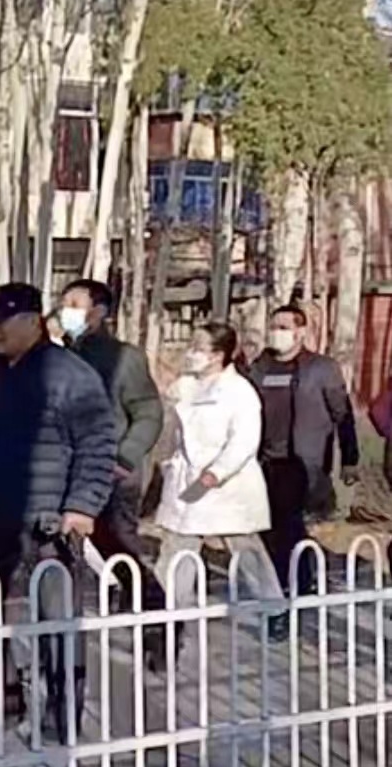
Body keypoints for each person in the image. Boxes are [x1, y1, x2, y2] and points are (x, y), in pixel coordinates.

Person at [0, 283, 119, 742]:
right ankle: (2, 701)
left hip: (50, 520)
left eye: (1, 322)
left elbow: (97, 445)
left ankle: (63, 712)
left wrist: (81, 506)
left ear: (31, 321)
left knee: (57, 620)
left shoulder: (70, 374)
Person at [57, 280, 172, 665]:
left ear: (101, 311)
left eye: (75, 303)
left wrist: (125, 457)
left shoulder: (123, 358)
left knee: (120, 549)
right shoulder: (59, 356)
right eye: (63, 303)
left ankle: (158, 625)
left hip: (112, 473)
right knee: (65, 555)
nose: (65, 311)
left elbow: (148, 412)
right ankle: (63, 643)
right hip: (67, 473)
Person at [156, 322, 278, 619]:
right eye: (191, 346)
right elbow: (173, 434)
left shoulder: (239, 391)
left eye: (198, 348)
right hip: (188, 478)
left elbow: (244, 440)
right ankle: (167, 612)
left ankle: (274, 607)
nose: (191, 353)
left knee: (243, 545)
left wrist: (217, 472)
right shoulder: (184, 387)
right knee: (179, 540)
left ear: (217, 355)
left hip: (225, 485)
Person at [245, 304, 359, 612]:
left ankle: (299, 580)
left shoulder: (321, 368)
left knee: (290, 522)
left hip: (303, 461)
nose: (276, 333)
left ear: (300, 332)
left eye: (284, 327)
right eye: (274, 326)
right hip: (263, 459)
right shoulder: (260, 368)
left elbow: (342, 414)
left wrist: (350, 458)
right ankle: (282, 579)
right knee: (269, 524)